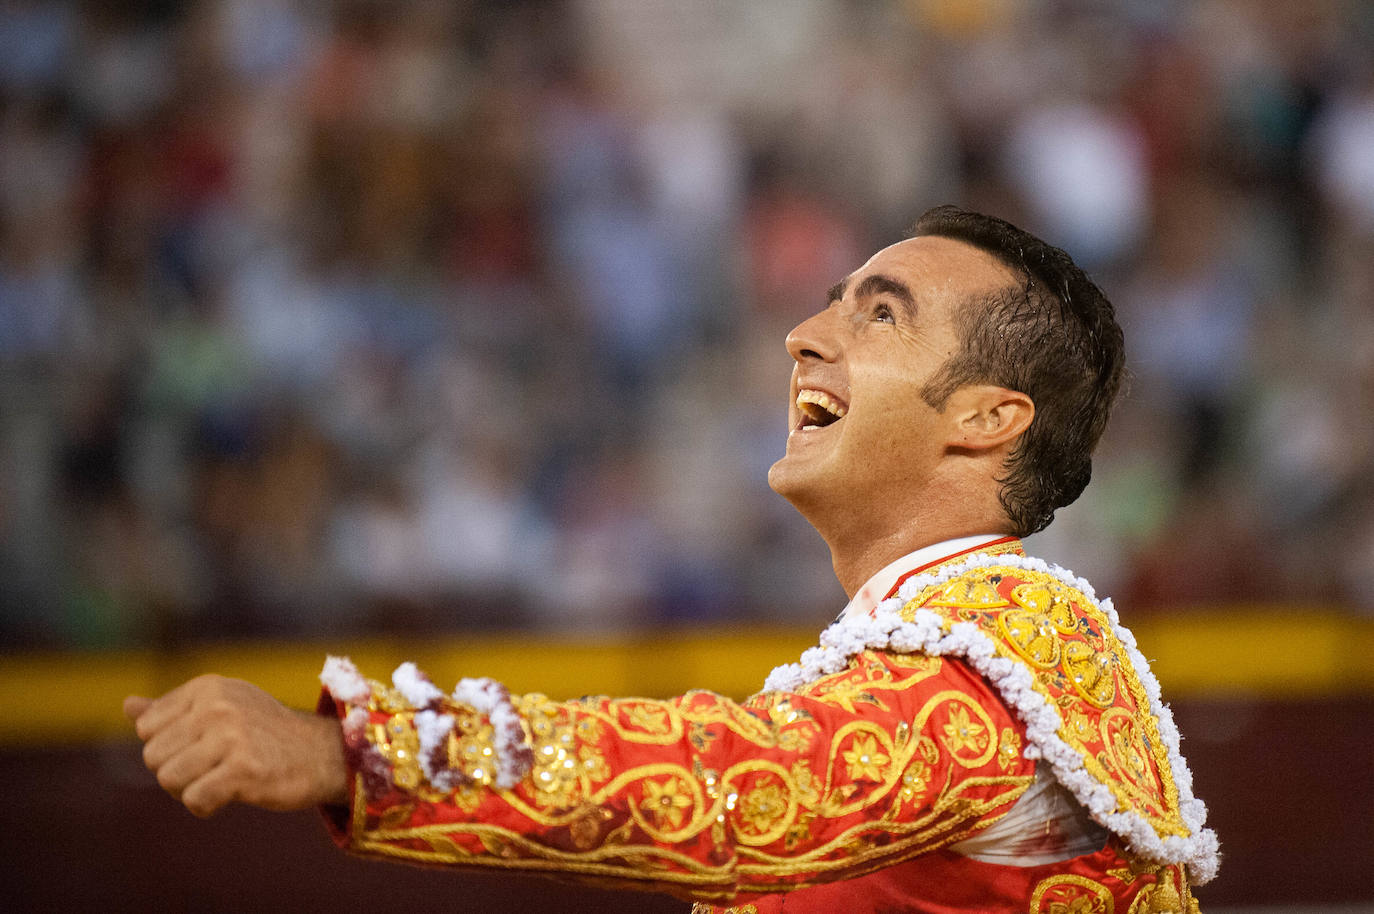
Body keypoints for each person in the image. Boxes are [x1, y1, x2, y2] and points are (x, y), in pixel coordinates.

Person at [125, 206, 1218, 912]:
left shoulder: (992, 671)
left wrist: (351, 753)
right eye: (829, 300)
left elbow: (746, 786)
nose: (802, 333)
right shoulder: (974, 651)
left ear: (986, 418)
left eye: (879, 314)